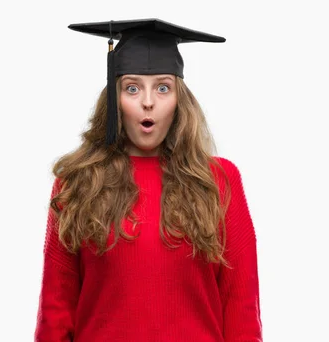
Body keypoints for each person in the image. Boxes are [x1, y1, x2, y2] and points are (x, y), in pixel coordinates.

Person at [34, 18, 262, 342]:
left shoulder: (220, 182)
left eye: (162, 87)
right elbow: (56, 314)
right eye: (132, 87)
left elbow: (241, 313)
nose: (148, 101)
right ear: (115, 99)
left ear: (179, 99)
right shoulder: (78, 183)